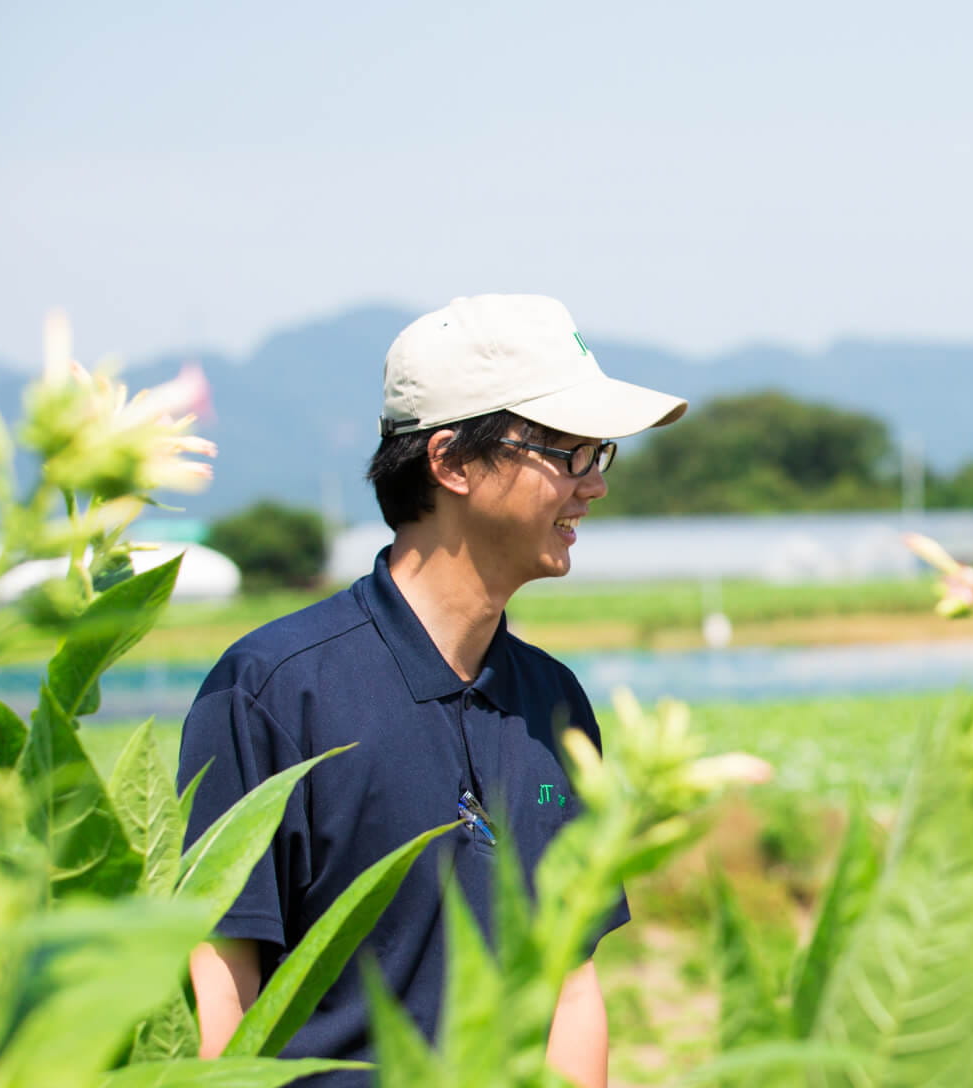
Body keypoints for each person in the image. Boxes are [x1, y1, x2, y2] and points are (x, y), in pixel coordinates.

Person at [180, 294, 688, 1087]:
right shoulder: (273, 692)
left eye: (600, 453)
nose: (593, 485)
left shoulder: (555, 703)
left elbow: (570, 983)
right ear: (449, 462)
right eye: (566, 452)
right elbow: (221, 989)